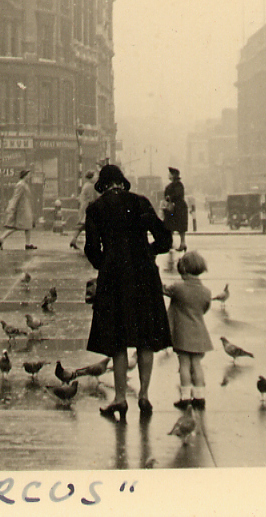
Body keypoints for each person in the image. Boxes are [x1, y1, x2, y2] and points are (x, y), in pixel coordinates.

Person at [83, 164, 172, 420]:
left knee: (118, 340)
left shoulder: (96, 209)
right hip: (144, 275)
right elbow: (165, 240)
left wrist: (106, 262)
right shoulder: (141, 202)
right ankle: (144, 394)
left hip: (114, 278)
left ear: (103, 185)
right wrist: (147, 252)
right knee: (146, 338)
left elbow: (91, 248)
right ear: (122, 182)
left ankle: (120, 398)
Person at [163, 251, 213, 410]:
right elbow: (204, 309)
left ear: (183, 268)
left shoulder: (178, 288)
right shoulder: (206, 292)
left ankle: (185, 398)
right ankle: (200, 397)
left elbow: (164, 290)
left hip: (181, 333)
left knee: (184, 365)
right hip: (199, 333)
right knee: (197, 365)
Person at [0, 169, 36, 250]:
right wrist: (11, 207)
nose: (29, 177)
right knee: (17, 226)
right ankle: (1, 238)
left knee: (27, 226)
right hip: (22, 209)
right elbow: (16, 197)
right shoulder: (20, 184)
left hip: (25, 208)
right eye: (28, 175)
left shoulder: (24, 184)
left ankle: (27, 244)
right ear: (25, 175)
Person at [68, 170, 98, 250]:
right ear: (91, 177)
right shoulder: (91, 186)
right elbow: (93, 199)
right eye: (95, 176)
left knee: (81, 225)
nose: (96, 177)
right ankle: (89, 243)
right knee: (89, 225)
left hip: (83, 207)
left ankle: (74, 240)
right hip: (88, 208)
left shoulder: (86, 185)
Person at [163, 167, 188, 252]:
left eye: (170, 173)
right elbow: (166, 194)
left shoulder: (179, 185)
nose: (168, 175)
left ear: (173, 175)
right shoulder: (170, 186)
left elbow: (178, 195)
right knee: (170, 225)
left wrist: (170, 197)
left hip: (179, 207)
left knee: (180, 226)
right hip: (172, 208)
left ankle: (182, 243)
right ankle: (171, 242)